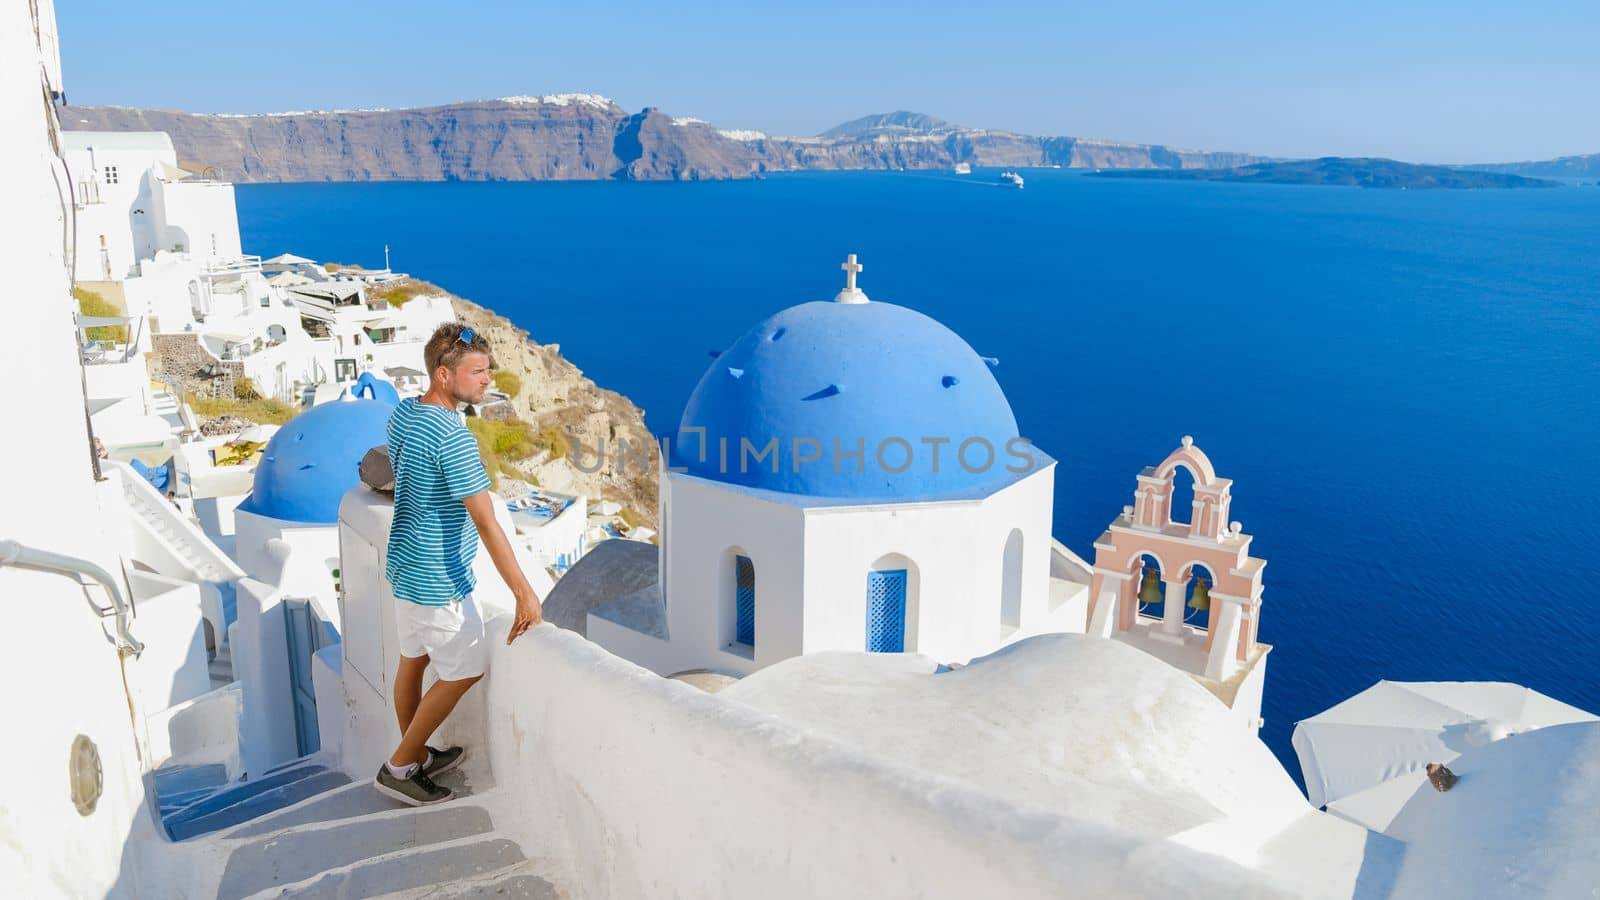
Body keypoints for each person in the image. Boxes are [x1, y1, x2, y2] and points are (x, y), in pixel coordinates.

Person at [372, 323, 543, 806]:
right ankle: (400, 767)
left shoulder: (406, 414)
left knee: (413, 660)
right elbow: (488, 523)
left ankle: (417, 753)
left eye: (487, 369)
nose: (488, 380)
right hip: (436, 576)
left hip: (404, 564)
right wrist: (524, 593)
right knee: (466, 669)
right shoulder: (454, 439)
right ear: (444, 375)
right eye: (477, 371)